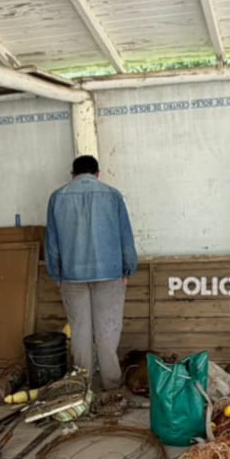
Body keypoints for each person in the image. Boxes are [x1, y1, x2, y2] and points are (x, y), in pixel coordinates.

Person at [44, 155, 138, 391]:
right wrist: (129, 268)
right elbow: (126, 238)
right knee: (108, 331)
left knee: (80, 332)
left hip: (72, 276)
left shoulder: (57, 197)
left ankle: (81, 387)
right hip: (109, 274)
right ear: (98, 174)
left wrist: (56, 274)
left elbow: (52, 244)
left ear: (73, 175)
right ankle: (112, 386)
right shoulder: (113, 195)